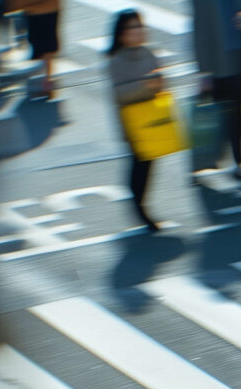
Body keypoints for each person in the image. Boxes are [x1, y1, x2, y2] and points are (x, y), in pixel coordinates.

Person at [192, 0, 241, 182]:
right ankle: (201, 163)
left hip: (237, 57)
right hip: (217, 63)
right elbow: (200, 30)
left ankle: (239, 164)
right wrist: (204, 72)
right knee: (210, 116)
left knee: (236, 115)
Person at [108, 10, 164, 232]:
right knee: (139, 163)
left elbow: (160, 84)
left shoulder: (150, 54)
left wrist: (159, 84)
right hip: (132, 122)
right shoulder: (117, 60)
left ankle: (139, 199)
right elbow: (119, 94)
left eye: (140, 27)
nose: (138, 31)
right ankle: (139, 205)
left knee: (148, 163)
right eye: (133, 28)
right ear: (122, 34)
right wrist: (146, 85)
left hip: (152, 118)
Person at [6, 0, 60, 98]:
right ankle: (45, 82)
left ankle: (45, 82)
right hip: (43, 10)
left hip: (40, 11)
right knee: (44, 48)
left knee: (44, 48)